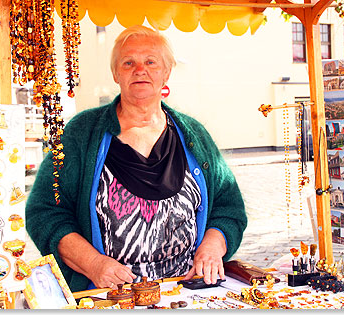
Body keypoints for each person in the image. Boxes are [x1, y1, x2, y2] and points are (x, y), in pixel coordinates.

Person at [26, 25, 247, 293]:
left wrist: (213, 246)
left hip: (187, 291)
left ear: (166, 72)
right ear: (116, 73)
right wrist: (94, 264)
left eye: (151, 62)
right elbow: (45, 212)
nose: (139, 69)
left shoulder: (194, 134)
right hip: (109, 294)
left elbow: (229, 208)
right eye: (128, 62)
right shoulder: (81, 134)